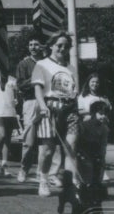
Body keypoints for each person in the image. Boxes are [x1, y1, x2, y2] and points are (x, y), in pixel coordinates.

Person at [31, 32, 79, 198]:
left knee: (71, 145)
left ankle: (71, 182)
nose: (62, 49)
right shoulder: (42, 65)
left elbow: (74, 90)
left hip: (69, 108)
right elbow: (37, 88)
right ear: (51, 46)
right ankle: (43, 180)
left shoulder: (70, 68)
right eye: (59, 45)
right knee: (48, 149)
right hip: (50, 107)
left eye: (66, 46)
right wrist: (43, 106)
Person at [14, 35, 46, 183]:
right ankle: (24, 169)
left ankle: (42, 172)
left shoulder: (47, 63)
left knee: (46, 140)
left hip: (46, 102)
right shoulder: (24, 64)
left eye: (36, 44)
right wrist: (36, 79)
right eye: (31, 44)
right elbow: (20, 85)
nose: (33, 47)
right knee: (29, 140)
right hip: (31, 102)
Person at [77, 72, 112, 184]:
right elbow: (78, 110)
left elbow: (108, 109)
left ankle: (102, 172)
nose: (95, 84)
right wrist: (91, 112)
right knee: (88, 151)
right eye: (92, 82)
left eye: (97, 82)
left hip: (102, 127)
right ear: (88, 83)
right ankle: (86, 174)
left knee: (101, 151)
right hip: (87, 127)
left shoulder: (103, 97)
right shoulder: (83, 96)